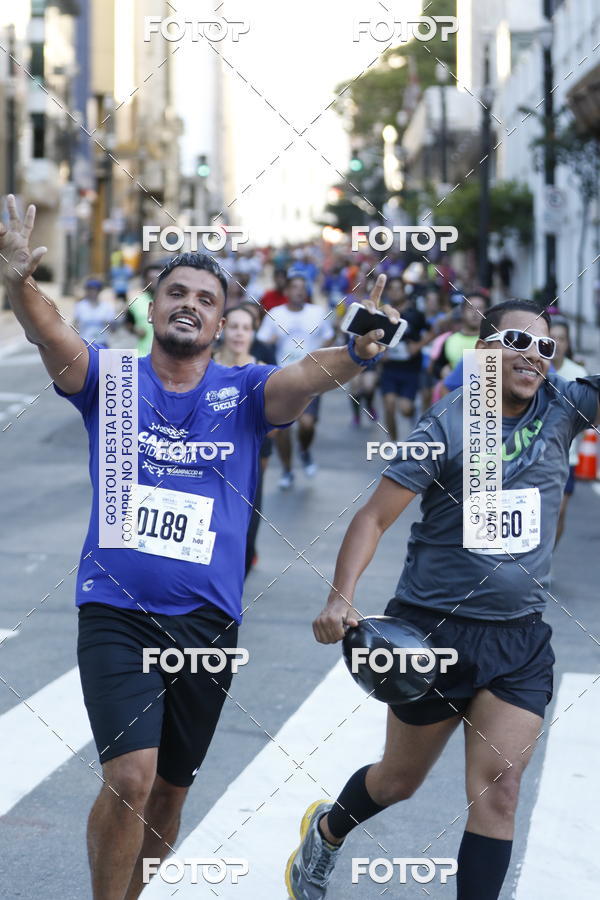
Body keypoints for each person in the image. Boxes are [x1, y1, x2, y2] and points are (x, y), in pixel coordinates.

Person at [0, 195, 399, 900]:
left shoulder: (245, 391)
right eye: (174, 293)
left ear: (222, 322)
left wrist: (359, 348)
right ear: (152, 311)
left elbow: (306, 376)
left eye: (205, 299)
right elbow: (54, 338)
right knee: (130, 775)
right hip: (116, 614)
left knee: (169, 797)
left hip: (207, 626)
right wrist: (17, 282)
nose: (188, 304)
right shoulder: (114, 382)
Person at [286, 298, 600, 900]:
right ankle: (327, 830)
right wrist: (340, 598)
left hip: (518, 636)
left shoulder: (564, 406)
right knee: (398, 781)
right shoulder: (450, 423)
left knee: (500, 790)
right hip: (432, 634)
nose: (532, 354)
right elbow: (374, 518)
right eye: (516, 340)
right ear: (484, 349)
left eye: (545, 346)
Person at [257, 275, 335, 488]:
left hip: (311, 377)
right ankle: (287, 470)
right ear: (287, 291)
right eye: (295, 287)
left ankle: (305, 450)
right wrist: (270, 345)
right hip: (282, 377)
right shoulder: (275, 314)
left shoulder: (317, 313)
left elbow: (329, 336)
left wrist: (322, 355)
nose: (299, 291)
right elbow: (261, 342)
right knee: (282, 429)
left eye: (303, 287)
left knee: (307, 424)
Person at [213, 305, 273, 574]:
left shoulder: (263, 373)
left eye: (245, 328)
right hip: (204, 461)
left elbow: (276, 425)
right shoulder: (203, 364)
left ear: (253, 334)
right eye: (233, 327)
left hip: (247, 464)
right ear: (222, 328)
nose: (239, 334)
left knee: (246, 539)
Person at [379, 278, 432, 441]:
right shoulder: (383, 315)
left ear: (404, 291)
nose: (395, 292)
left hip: (410, 369)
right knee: (389, 405)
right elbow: (373, 337)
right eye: (392, 289)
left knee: (405, 409)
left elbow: (431, 331)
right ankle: (393, 443)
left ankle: (411, 412)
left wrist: (418, 345)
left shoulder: (415, 314)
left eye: (398, 289)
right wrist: (381, 352)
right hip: (390, 368)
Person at [550, 316, 588, 545]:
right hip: (539, 455)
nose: (557, 343)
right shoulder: (533, 367)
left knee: (559, 512)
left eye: (561, 339)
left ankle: (547, 558)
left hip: (568, 456)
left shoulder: (578, 373)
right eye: (552, 338)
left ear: (568, 343)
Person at [126, 261, 163, 357]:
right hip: (142, 355)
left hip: (165, 359)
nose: (154, 282)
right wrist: (135, 330)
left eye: (157, 278)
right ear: (145, 280)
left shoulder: (172, 301)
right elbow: (127, 323)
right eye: (151, 279)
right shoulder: (136, 302)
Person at [73, 278, 116, 348]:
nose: (91, 292)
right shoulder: (80, 306)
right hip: (85, 344)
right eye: (89, 289)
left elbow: (113, 329)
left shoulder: (107, 307)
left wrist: (110, 323)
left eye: (94, 289)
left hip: (102, 343)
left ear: (99, 291)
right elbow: (75, 325)